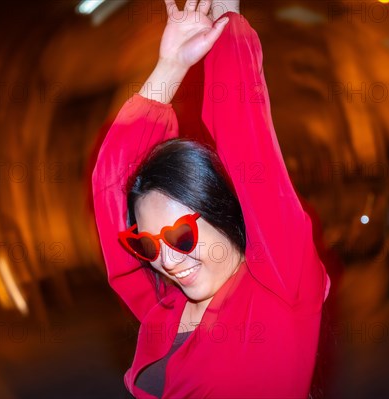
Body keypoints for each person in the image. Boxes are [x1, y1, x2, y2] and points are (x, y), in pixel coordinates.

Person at [91, 0, 331, 397]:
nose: (167, 261)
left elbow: (251, 149)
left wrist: (225, 27)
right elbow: (112, 187)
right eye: (147, 244)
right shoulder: (165, 307)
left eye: (180, 236)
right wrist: (169, 67)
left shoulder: (279, 289)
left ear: (222, 213)